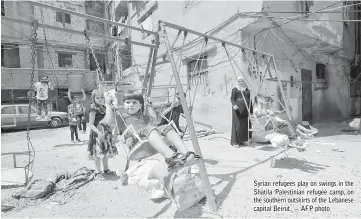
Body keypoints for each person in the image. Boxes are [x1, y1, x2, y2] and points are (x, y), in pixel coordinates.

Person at [116, 91, 200, 169]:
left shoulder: (143, 117)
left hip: (147, 136)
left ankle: (186, 154)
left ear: (140, 105)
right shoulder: (120, 116)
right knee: (149, 128)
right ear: (123, 104)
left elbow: (156, 121)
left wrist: (149, 106)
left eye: (134, 102)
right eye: (128, 102)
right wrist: (108, 105)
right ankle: (170, 156)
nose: (131, 105)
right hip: (134, 140)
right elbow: (110, 121)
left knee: (166, 126)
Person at [87, 89, 118, 180]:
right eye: (97, 98)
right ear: (94, 99)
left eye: (101, 97)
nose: (100, 99)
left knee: (105, 152)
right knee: (98, 153)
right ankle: (97, 172)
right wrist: (99, 133)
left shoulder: (105, 108)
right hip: (98, 134)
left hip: (106, 133)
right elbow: (91, 124)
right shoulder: (93, 108)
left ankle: (106, 169)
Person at [230, 76, 252, 148]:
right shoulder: (235, 89)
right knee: (238, 126)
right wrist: (234, 105)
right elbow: (232, 99)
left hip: (245, 111)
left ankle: (243, 140)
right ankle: (235, 142)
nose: (241, 82)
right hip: (237, 110)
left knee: (245, 126)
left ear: (244, 81)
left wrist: (251, 111)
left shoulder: (247, 90)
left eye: (242, 81)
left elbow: (250, 101)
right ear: (237, 82)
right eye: (239, 81)